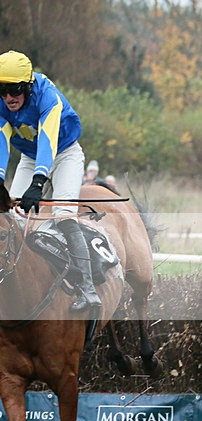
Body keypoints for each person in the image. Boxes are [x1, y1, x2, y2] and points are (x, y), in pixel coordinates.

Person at [0, 50, 101, 311]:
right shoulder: (3, 102)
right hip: (31, 156)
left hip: (65, 152)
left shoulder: (48, 97)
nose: (8, 97)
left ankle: (88, 289)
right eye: (2, 90)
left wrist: (38, 183)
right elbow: (1, 141)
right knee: (11, 217)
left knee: (64, 214)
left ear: (28, 86)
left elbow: (48, 140)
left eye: (14, 90)